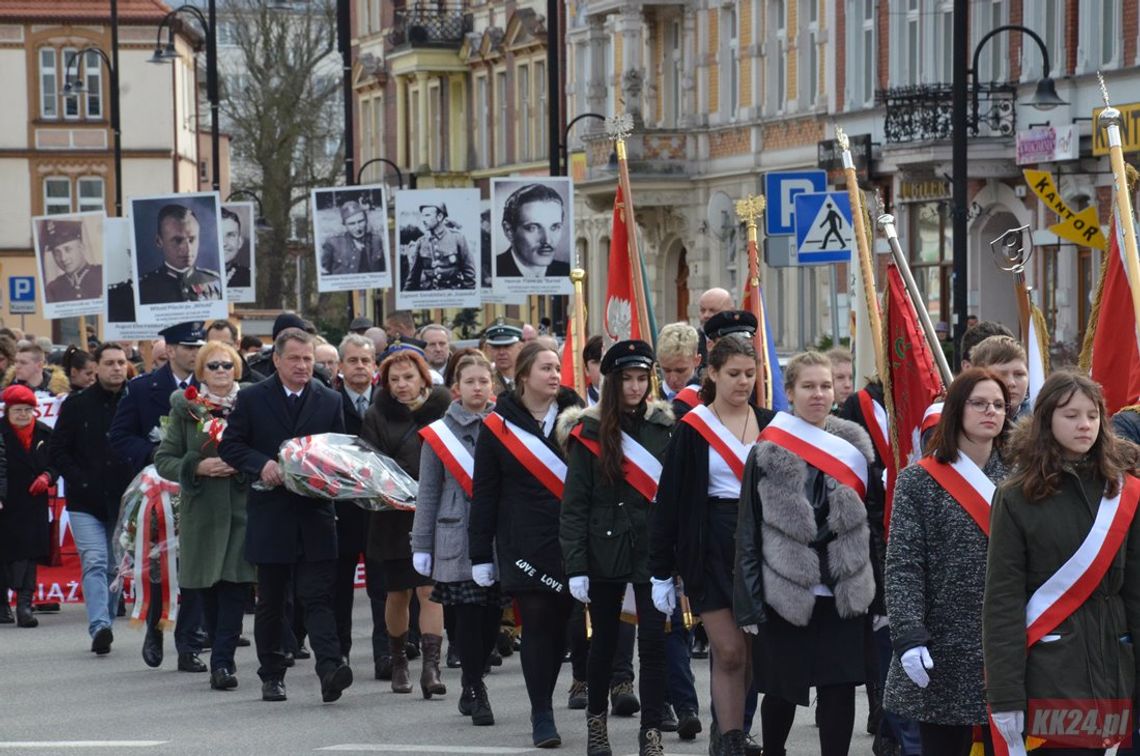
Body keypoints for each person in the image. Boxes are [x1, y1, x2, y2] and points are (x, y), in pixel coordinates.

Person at [984, 371, 1140, 755]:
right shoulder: (1016, 496)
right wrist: (1004, 697)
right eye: (1071, 415)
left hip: (1114, 667)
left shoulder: (1124, 489)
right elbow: (1002, 601)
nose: (1084, 424)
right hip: (1050, 669)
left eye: (1092, 414)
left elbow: (1136, 591)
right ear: (1047, 420)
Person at [734, 351, 875, 756]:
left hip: (844, 590)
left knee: (840, 687)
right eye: (809, 386)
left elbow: (874, 522)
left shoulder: (854, 446)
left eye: (826, 386)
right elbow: (748, 530)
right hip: (785, 592)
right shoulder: (767, 449)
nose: (819, 394)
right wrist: (749, 604)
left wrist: (878, 595)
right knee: (780, 691)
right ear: (790, 393)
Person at [649, 334, 776, 756]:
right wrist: (661, 570)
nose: (743, 382)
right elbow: (669, 501)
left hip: (761, 547)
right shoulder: (693, 430)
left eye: (750, 374)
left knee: (754, 652)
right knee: (729, 650)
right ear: (712, 374)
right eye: (734, 374)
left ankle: (729, 731)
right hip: (710, 545)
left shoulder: (772, 423)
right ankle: (733, 741)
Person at [217, 327, 353, 704]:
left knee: (318, 596)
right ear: (276, 360)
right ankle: (272, 674)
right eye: (294, 358)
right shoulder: (253, 398)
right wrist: (261, 465)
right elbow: (231, 446)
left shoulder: (328, 400)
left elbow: (339, 452)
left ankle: (329, 668)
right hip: (271, 513)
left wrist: (328, 475)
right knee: (272, 601)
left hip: (315, 515)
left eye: (307, 359)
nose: (302, 366)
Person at [884, 369, 1011, 756]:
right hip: (943, 638)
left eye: (999, 405)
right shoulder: (918, 481)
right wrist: (908, 635)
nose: (990, 411)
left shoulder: (1021, 476)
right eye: (979, 403)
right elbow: (904, 565)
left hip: (1006, 637)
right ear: (957, 409)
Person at [559, 339, 673, 756]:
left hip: (651, 550)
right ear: (612, 382)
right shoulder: (588, 432)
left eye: (642, 379)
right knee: (603, 643)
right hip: (602, 551)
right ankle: (597, 727)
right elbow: (574, 506)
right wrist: (575, 566)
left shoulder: (664, 429)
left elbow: (670, 498)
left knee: (655, 647)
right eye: (627, 379)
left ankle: (651, 734)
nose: (635, 387)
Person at [469, 341, 584, 748]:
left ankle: (573, 689)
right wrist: (480, 553)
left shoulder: (580, 417)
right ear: (523, 376)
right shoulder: (498, 426)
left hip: (574, 539)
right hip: (523, 542)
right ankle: (542, 713)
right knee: (538, 623)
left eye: (557, 368)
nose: (555, 375)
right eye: (546, 368)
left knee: (568, 625)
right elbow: (484, 494)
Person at [154, 341, 254, 692]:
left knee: (234, 587)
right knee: (208, 589)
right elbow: (163, 458)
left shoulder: (252, 401)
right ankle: (216, 649)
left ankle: (222, 664)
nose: (221, 372)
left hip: (243, 510)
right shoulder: (187, 407)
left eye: (227, 365)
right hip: (203, 512)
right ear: (200, 371)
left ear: (237, 368)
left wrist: (243, 464)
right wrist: (197, 465)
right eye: (213, 366)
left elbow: (269, 447)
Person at [109, 322, 206, 671]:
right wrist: (154, 455)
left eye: (199, 346)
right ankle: (155, 626)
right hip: (157, 490)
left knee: (194, 565)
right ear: (170, 349)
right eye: (187, 347)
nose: (195, 353)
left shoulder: (210, 386)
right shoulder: (141, 388)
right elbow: (119, 436)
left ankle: (190, 645)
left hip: (199, 487)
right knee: (159, 566)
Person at [411, 352, 500, 725]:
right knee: (464, 618)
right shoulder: (439, 435)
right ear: (456, 389)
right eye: (470, 382)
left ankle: (474, 678)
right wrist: (421, 544)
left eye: (483, 381)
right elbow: (428, 491)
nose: (477, 388)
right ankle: (473, 685)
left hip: (496, 536)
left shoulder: (505, 425)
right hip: (455, 535)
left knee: (492, 618)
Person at [361, 347, 451, 696]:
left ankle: (432, 668)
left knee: (430, 591)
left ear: (424, 379)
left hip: (433, 514)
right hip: (391, 517)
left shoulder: (443, 409)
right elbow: (371, 463)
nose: (402, 385)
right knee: (397, 594)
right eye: (394, 379)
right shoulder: (376, 414)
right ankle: (398, 659)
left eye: (409, 377)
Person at [48, 343, 133, 653]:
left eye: (121, 362)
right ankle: (99, 625)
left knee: (113, 567)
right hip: (85, 501)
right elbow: (57, 449)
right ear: (96, 367)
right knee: (94, 560)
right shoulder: (77, 404)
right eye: (109, 362)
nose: (116, 368)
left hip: (124, 499)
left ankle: (106, 620)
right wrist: (79, 479)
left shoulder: (134, 401)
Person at [332, 335, 390, 678]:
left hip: (381, 509)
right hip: (343, 508)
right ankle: (341, 653)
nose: (359, 367)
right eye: (352, 361)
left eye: (365, 361)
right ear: (340, 367)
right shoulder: (329, 402)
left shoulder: (387, 402)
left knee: (382, 586)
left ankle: (385, 653)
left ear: (375, 366)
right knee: (340, 586)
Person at [0, 385, 56, 628]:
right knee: (5, 555)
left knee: (29, 553)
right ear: (7, 411)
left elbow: (57, 461)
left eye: (27, 410)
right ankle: (3, 605)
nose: (23, 415)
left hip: (33, 502)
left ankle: (24, 605)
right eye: (17, 410)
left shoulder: (44, 432)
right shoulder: (1, 432)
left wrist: (48, 476)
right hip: (6, 501)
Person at [138, 204, 223, 304]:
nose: (188, 249)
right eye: (177, 241)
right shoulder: (143, 287)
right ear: (159, 241)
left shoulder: (214, 280)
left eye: (192, 240)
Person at [495, 184, 570, 277]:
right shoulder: (491, 271)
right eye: (532, 228)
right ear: (509, 231)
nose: (547, 240)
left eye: (554, 227)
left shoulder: (567, 272)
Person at [404, 202, 476, 291]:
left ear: (440, 217)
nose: (423, 220)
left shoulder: (458, 238)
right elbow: (413, 278)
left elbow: (470, 275)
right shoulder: (421, 242)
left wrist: (465, 299)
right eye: (422, 216)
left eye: (427, 215)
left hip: (453, 296)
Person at [968, 335, 1030, 419]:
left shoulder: (1043, 420)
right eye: (1002, 374)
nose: (1011, 383)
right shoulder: (960, 419)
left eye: (1019, 374)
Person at [41, 219, 102, 302]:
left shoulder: (103, 274)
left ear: (81, 247)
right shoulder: (52, 289)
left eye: (68, 249)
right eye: (57, 253)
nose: (63, 258)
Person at [320, 200, 385, 275]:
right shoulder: (333, 244)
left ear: (366, 220)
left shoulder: (376, 241)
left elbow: (383, 272)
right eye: (352, 224)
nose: (358, 228)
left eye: (360, 221)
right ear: (345, 225)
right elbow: (324, 276)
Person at [484, 319, 523, 395]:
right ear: (489, 349)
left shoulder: (530, 379)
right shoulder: (485, 380)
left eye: (507, 346)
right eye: (496, 347)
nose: (501, 352)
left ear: (520, 347)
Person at [220, 207, 251, 288]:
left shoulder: (248, 278)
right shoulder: (193, 278)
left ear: (240, 242)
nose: (223, 243)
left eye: (230, 235)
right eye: (218, 235)